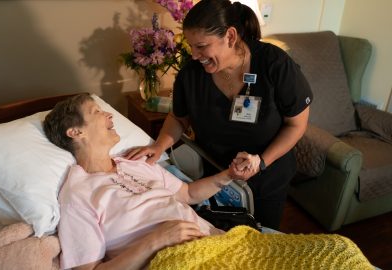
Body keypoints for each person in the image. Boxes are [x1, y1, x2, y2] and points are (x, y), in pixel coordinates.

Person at [126, 0, 313, 230]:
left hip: (267, 177)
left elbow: (296, 124)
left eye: (202, 46)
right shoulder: (191, 75)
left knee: (259, 242)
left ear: (231, 36)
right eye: (191, 46)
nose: (194, 55)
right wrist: (159, 146)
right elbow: (178, 118)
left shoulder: (274, 64)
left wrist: (262, 161)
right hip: (215, 177)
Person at [43, 93, 235, 270]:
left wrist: (231, 175)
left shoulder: (137, 161)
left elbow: (189, 194)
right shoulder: (78, 194)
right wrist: (157, 240)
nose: (109, 114)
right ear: (75, 132)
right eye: (97, 112)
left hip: (218, 244)